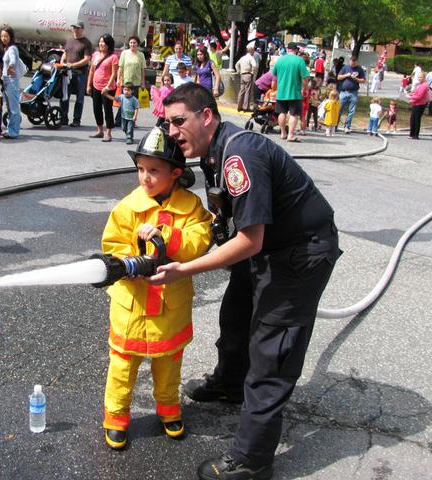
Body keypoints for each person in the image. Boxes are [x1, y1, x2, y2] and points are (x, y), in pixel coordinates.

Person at [152, 83, 340, 480]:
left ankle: (252, 460)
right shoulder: (211, 152)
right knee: (236, 313)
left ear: (207, 116)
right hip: (267, 246)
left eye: (178, 121)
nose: (172, 131)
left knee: (272, 351)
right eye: (167, 123)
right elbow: (228, 218)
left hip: (300, 253)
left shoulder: (239, 152)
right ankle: (230, 383)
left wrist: (185, 269)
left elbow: (249, 239)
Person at [101, 125, 212, 450]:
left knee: (169, 363)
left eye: (153, 170)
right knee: (122, 365)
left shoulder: (191, 207)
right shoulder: (126, 209)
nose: (144, 177)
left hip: (169, 308)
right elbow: (112, 246)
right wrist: (131, 258)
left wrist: (168, 237)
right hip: (131, 306)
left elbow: (199, 240)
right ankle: (116, 417)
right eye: (140, 169)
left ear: (176, 172)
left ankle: (168, 409)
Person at [271, 41, 309, 142]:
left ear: (288, 49)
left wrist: (273, 87)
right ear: (296, 50)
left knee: (281, 113)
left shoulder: (280, 60)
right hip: (294, 92)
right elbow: (305, 77)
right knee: (294, 114)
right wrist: (305, 88)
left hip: (281, 92)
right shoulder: (299, 60)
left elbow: (274, 75)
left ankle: (283, 133)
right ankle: (290, 135)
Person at [59, 22, 93, 127]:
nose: (75, 30)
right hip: (67, 72)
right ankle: (63, 118)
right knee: (65, 95)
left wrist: (73, 65)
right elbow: (65, 53)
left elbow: (87, 59)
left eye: (78, 28)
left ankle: (76, 120)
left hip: (80, 74)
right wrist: (62, 62)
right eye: (74, 28)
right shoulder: (69, 40)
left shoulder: (86, 43)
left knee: (79, 97)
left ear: (82, 29)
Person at [86, 33, 118, 142]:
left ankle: (108, 133)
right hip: (96, 86)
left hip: (107, 88)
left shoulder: (113, 57)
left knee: (107, 110)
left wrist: (108, 87)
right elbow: (91, 70)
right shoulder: (95, 54)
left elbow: (114, 74)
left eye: (103, 42)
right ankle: (100, 131)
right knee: (96, 108)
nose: (101, 44)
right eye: (100, 42)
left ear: (108, 44)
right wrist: (88, 85)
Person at [0, 26, 23, 139]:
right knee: (9, 107)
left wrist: (9, 68)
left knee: (13, 108)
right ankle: (10, 129)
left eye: (6, 36)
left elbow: (13, 60)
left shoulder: (12, 48)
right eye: (2, 36)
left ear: (11, 37)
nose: (4, 38)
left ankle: (14, 131)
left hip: (12, 81)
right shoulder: (7, 49)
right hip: (7, 80)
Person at [336, 56, 365, 133]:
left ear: (356, 62)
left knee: (351, 111)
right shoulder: (345, 68)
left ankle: (347, 126)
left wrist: (356, 79)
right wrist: (346, 75)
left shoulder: (359, 69)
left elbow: (363, 80)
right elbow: (338, 77)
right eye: (352, 61)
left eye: (354, 62)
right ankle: (335, 125)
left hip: (353, 92)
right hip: (343, 92)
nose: (353, 63)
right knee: (339, 109)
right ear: (350, 61)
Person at [406, 71, 430, 139]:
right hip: (416, 103)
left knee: (416, 119)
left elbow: (419, 96)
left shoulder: (424, 85)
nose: (419, 78)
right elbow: (416, 93)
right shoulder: (419, 84)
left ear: (424, 78)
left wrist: (410, 97)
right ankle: (412, 133)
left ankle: (415, 134)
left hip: (420, 104)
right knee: (413, 119)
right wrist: (412, 94)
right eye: (419, 77)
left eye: (421, 77)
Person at [235, 46, 258, 112]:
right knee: (247, 91)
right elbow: (255, 65)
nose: (254, 52)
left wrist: (238, 71)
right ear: (251, 51)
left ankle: (239, 106)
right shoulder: (251, 58)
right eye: (253, 51)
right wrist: (252, 72)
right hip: (248, 74)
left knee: (241, 91)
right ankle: (245, 107)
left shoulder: (243, 57)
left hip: (242, 75)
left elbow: (237, 64)